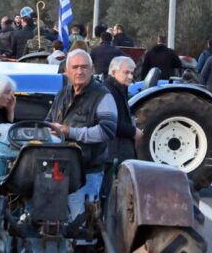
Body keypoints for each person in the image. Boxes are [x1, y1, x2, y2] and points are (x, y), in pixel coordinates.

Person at [46, 49, 117, 221]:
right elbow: (48, 120)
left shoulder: (103, 96)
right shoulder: (63, 93)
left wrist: (70, 132)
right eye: (75, 67)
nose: (80, 71)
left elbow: (107, 131)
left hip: (87, 172)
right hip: (59, 169)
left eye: (84, 67)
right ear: (67, 71)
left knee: (81, 224)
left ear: (92, 70)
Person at [104, 56, 142, 163]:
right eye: (126, 72)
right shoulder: (109, 92)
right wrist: (134, 131)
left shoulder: (120, 90)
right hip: (113, 153)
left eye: (131, 73)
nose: (130, 76)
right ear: (113, 72)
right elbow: (111, 123)